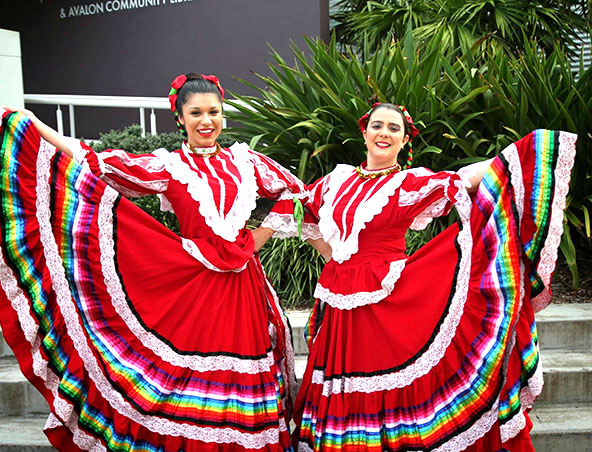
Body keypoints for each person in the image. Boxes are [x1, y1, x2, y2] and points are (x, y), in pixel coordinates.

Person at [0, 73, 309, 451]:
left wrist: (261, 236)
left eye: (214, 112)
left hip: (244, 285)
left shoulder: (247, 160)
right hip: (196, 284)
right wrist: (34, 125)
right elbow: (94, 160)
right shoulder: (170, 166)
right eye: (196, 113)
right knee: (189, 379)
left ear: (224, 115)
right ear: (180, 117)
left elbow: (297, 191)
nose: (206, 120)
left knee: (245, 374)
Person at [291, 102, 577, 451]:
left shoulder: (407, 182)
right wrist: (335, 258)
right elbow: (304, 212)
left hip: (387, 300)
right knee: (345, 385)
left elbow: (463, 181)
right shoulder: (334, 180)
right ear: (364, 132)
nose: (384, 133)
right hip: (338, 300)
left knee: (390, 382)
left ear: (403, 140)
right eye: (377, 126)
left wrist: (513, 159)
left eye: (394, 129)